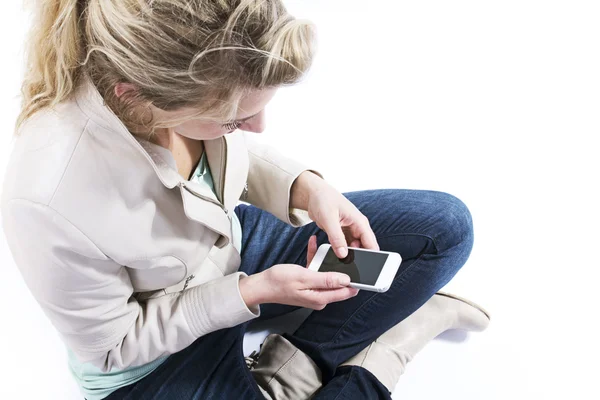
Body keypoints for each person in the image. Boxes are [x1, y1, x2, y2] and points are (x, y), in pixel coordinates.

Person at [1, 1, 490, 399]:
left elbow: (224, 157)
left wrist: (306, 186)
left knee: (443, 227)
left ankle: (297, 364)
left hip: (231, 247)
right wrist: (250, 293)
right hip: (153, 356)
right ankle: (393, 343)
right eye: (233, 120)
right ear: (136, 96)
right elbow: (115, 347)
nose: (257, 129)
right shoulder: (46, 198)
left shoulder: (173, 84)